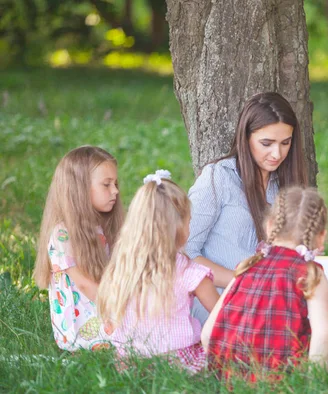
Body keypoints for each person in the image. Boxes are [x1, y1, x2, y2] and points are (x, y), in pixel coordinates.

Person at [202, 187, 328, 376]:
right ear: (321, 236)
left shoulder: (247, 265)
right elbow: (324, 335)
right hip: (284, 377)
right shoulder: (310, 273)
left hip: (233, 376)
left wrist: (220, 374)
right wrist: (313, 384)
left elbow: (208, 333)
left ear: (270, 225)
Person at [186, 92, 307, 323]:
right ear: (246, 137)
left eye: (285, 143)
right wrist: (243, 281)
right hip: (219, 294)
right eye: (266, 143)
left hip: (272, 293)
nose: (277, 154)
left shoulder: (283, 185)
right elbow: (186, 253)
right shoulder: (219, 177)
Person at [97, 171, 219, 373]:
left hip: (129, 362)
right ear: (178, 227)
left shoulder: (122, 266)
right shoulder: (188, 271)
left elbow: (109, 315)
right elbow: (222, 316)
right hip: (176, 361)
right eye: (189, 221)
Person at [33, 146, 124, 351]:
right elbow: (85, 285)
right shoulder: (62, 235)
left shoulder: (99, 228)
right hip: (81, 327)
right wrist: (118, 312)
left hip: (102, 307)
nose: (115, 191)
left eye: (115, 184)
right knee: (140, 334)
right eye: (106, 184)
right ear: (80, 189)